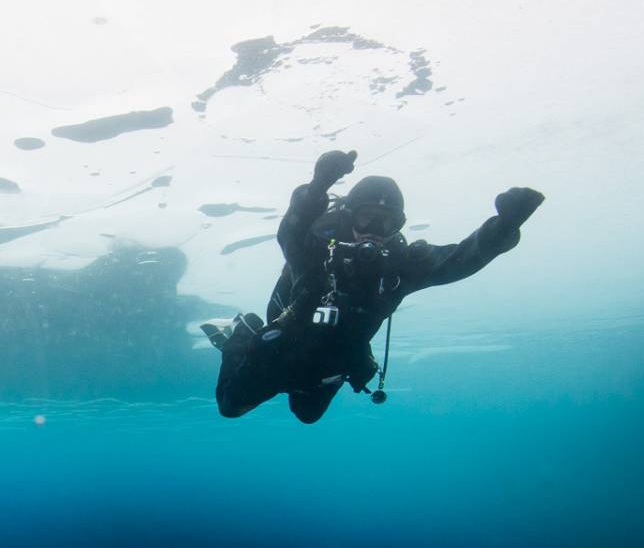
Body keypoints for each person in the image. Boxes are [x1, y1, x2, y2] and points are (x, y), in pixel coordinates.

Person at [205, 149, 544, 423]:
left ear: (398, 227)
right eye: (366, 218)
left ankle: (297, 377)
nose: (374, 230)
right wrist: (316, 188)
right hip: (281, 345)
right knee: (230, 406)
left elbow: (459, 260)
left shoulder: (399, 267)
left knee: (307, 415)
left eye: (387, 222)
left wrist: (504, 227)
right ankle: (243, 333)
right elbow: (291, 233)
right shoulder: (316, 250)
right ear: (348, 216)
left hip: (335, 358)